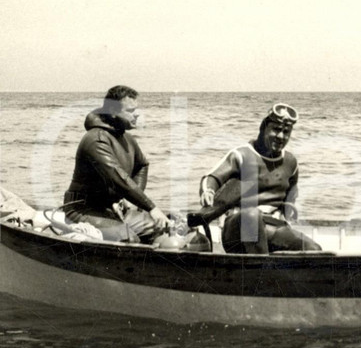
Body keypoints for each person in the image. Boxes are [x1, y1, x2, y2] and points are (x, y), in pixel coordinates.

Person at [198, 103, 322, 254]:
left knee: (313, 250)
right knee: (252, 215)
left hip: (273, 227)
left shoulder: (291, 162)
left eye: (286, 132)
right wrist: (208, 191)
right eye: (276, 129)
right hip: (237, 229)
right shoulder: (241, 155)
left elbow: (291, 196)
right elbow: (211, 178)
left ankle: (274, 271)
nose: (280, 136)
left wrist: (290, 208)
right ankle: (261, 273)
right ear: (263, 128)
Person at [63, 85, 172, 243]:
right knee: (129, 239)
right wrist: (151, 208)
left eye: (136, 110)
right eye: (130, 111)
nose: (137, 115)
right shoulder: (96, 139)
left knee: (161, 231)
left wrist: (130, 201)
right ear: (113, 112)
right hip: (83, 209)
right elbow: (118, 177)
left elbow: (142, 165)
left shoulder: (127, 138)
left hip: (113, 209)